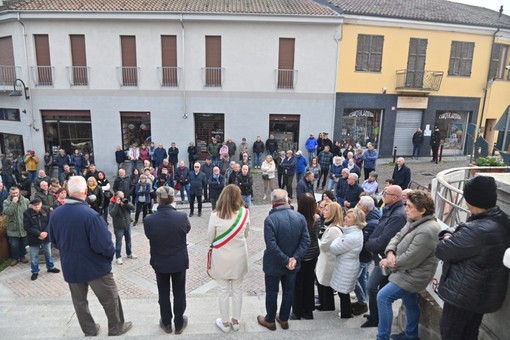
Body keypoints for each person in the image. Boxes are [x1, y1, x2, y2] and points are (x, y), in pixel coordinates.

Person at [49, 176, 132, 336]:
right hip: (96, 268)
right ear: (86, 191)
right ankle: (116, 328)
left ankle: (90, 330)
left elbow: (54, 241)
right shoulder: (90, 215)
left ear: (67, 192)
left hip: (71, 266)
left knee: (80, 302)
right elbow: (105, 246)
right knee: (110, 298)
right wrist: (108, 259)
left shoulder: (56, 214)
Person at [435, 176, 510, 340]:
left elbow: (442, 251)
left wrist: (447, 234)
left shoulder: (477, 230)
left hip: (463, 296)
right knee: (469, 333)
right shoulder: (500, 219)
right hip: (480, 294)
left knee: (450, 333)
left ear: (470, 201)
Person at [377, 190, 440, 340]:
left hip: (414, 275)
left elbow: (411, 258)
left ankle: (382, 337)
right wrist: (390, 252)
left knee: (383, 297)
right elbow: (397, 236)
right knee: (410, 302)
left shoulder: (428, 230)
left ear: (423, 210)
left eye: (410, 206)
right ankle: (411, 336)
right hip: (406, 271)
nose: (406, 208)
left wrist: (390, 262)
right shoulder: (414, 220)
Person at [257, 189, 310, 331]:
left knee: (272, 292)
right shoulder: (300, 217)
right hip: (292, 265)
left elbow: (271, 245)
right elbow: (306, 241)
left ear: (273, 202)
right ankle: (284, 318)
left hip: (274, 264)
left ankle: (270, 320)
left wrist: (286, 260)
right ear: (287, 200)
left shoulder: (270, 219)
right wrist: (294, 258)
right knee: (288, 291)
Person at [144, 186, 190, 335]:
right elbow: (186, 229)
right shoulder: (182, 216)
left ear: (158, 200)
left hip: (160, 261)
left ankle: (166, 323)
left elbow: (149, 235)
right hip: (178, 261)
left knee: (163, 293)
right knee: (179, 292)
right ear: (173, 199)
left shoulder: (149, 219)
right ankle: (178, 323)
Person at [362, 185, 407, 328]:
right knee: (379, 289)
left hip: (384, 258)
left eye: (386, 193)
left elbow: (384, 239)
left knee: (371, 286)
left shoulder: (398, 215)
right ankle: (376, 315)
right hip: (379, 255)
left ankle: (376, 319)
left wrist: (368, 244)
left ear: (395, 197)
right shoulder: (390, 209)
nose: (383, 195)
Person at [207, 184, 250, 333]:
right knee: (238, 290)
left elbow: (210, 238)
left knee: (223, 290)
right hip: (239, 257)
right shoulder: (245, 213)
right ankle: (236, 321)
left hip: (221, 258)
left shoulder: (215, 215)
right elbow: (246, 234)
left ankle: (225, 323)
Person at [330, 208, 365, 318]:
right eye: (346, 216)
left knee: (343, 292)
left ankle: (346, 314)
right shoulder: (352, 232)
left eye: (349, 217)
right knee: (343, 291)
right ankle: (346, 311)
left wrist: (338, 238)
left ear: (356, 221)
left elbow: (333, 248)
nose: (345, 218)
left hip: (347, 266)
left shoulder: (351, 236)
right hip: (346, 265)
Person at [291, 194, 321, 320]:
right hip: (313, 254)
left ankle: (297, 311)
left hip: (300, 255)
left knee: (297, 284)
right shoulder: (317, 219)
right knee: (309, 283)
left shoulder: (297, 219)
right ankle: (308, 311)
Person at [352, 195, 380, 316]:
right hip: (364, 255)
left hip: (363, 256)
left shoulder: (371, 223)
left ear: (365, 208)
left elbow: (365, 243)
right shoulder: (369, 218)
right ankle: (363, 300)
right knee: (362, 277)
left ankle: (363, 302)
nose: (357, 205)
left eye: (359, 204)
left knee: (353, 279)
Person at [23, 197, 60, 281]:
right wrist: (39, 234)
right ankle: (35, 272)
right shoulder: (26, 213)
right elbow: (27, 227)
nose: (36, 206)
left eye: (38, 204)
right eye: (34, 205)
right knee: (34, 256)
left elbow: (51, 222)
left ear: (41, 204)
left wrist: (46, 232)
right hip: (34, 238)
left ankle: (50, 267)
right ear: (31, 206)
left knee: (48, 253)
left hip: (46, 236)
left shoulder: (46, 210)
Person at [315, 201, 343, 312]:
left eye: (326, 210)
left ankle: (327, 305)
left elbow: (323, 246)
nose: (323, 211)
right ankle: (323, 303)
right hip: (324, 259)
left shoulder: (334, 230)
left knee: (325, 284)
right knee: (321, 283)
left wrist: (315, 240)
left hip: (328, 260)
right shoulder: (329, 226)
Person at [4, 186, 30, 266]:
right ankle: (15, 258)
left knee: (23, 243)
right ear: (10, 193)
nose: (15, 195)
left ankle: (22, 256)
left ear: (19, 192)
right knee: (14, 244)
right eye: (13, 193)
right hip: (13, 227)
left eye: (16, 193)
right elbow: (8, 212)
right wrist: (13, 203)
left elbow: (29, 212)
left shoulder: (25, 200)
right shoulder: (6, 202)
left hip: (23, 226)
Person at [109, 191, 137, 265]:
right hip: (119, 226)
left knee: (128, 240)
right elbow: (112, 214)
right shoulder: (112, 203)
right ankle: (118, 257)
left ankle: (129, 253)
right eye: (120, 197)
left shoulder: (125, 201)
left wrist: (126, 204)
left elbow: (133, 207)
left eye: (123, 196)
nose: (122, 198)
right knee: (119, 242)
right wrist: (117, 205)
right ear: (116, 196)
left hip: (127, 224)